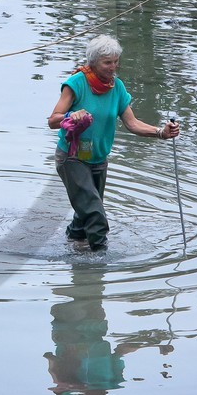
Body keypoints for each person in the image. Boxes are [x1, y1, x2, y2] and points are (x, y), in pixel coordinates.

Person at [47, 33, 179, 253]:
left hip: (98, 158)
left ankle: (74, 244)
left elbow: (132, 123)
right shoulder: (76, 84)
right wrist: (71, 116)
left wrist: (161, 132)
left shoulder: (116, 87)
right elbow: (53, 120)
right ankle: (100, 260)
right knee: (95, 212)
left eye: (116, 62)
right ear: (93, 62)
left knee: (85, 212)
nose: (113, 67)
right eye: (107, 62)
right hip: (72, 157)